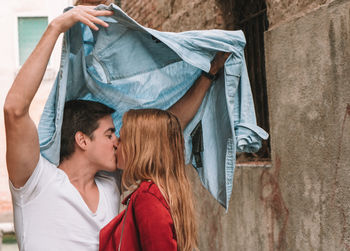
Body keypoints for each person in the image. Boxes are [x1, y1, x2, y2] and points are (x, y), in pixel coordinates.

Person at [4, 4, 229, 251]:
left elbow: (166, 128)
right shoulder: (36, 181)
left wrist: (209, 76)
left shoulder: (110, 184)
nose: (117, 141)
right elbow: (14, 111)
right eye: (110, 134)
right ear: (82, 140)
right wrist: (56, 28)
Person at [99, 109, 197, 251]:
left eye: (122, 138)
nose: (115, 144)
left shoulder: (147, 197)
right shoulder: (161, 192)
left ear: (139, 148)